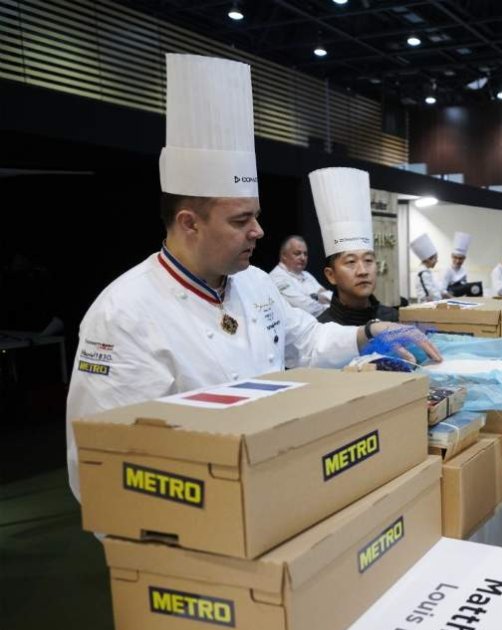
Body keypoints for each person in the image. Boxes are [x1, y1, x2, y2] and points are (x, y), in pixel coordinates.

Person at [65, 55, 438, 501]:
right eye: (241, 220)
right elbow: (103, 460)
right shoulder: (123, 313)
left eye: (257, 216)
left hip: (276, 486)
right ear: (189, 223)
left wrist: (371, 331)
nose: (259, 232)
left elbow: (309, 343)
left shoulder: (255, 284)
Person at [310, 167, 398, 326]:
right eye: (351, 262)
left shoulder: (394, 319)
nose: (363, 271)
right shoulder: (321, 331)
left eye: (368, 260)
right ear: (331, 275)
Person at [269, 235, 332, 316]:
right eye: (297, 253)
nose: (303, 258)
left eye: (305, 254)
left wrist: (311, 297)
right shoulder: (276, 278)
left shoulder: (306, 275)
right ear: (284, 255)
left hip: (323, 319)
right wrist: (318, 298)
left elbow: (329, 295)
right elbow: (305, 307)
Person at [410, 233, 442, 302]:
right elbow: (431, 293)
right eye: (435, 259)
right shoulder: (423, 273)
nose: (437, 261)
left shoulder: (426, 272)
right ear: (428, 259)